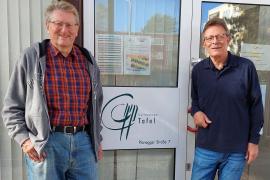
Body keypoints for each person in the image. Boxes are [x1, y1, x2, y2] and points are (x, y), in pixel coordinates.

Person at [2, 1, 103, 180]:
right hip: (47, 143)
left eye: (70, 25)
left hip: (83, 143)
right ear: (47, 26)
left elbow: (96, 104)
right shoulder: (32, 57)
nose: (65, 30)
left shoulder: (88, 60)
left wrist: (97, 140)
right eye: (58, 24)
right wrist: (24, 141)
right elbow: (12, 107)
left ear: (77, 29)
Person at [191, 18, 264, 180]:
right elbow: (195, 100)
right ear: (204, 43)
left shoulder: (246, 67)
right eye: (210, 38)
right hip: (205, 148)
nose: (215, 41)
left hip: (236, 151)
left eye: (219, 36)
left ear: (228, 39)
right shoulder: (198, 70)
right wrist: (196, 113)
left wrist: (254, 142)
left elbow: (257, 107)